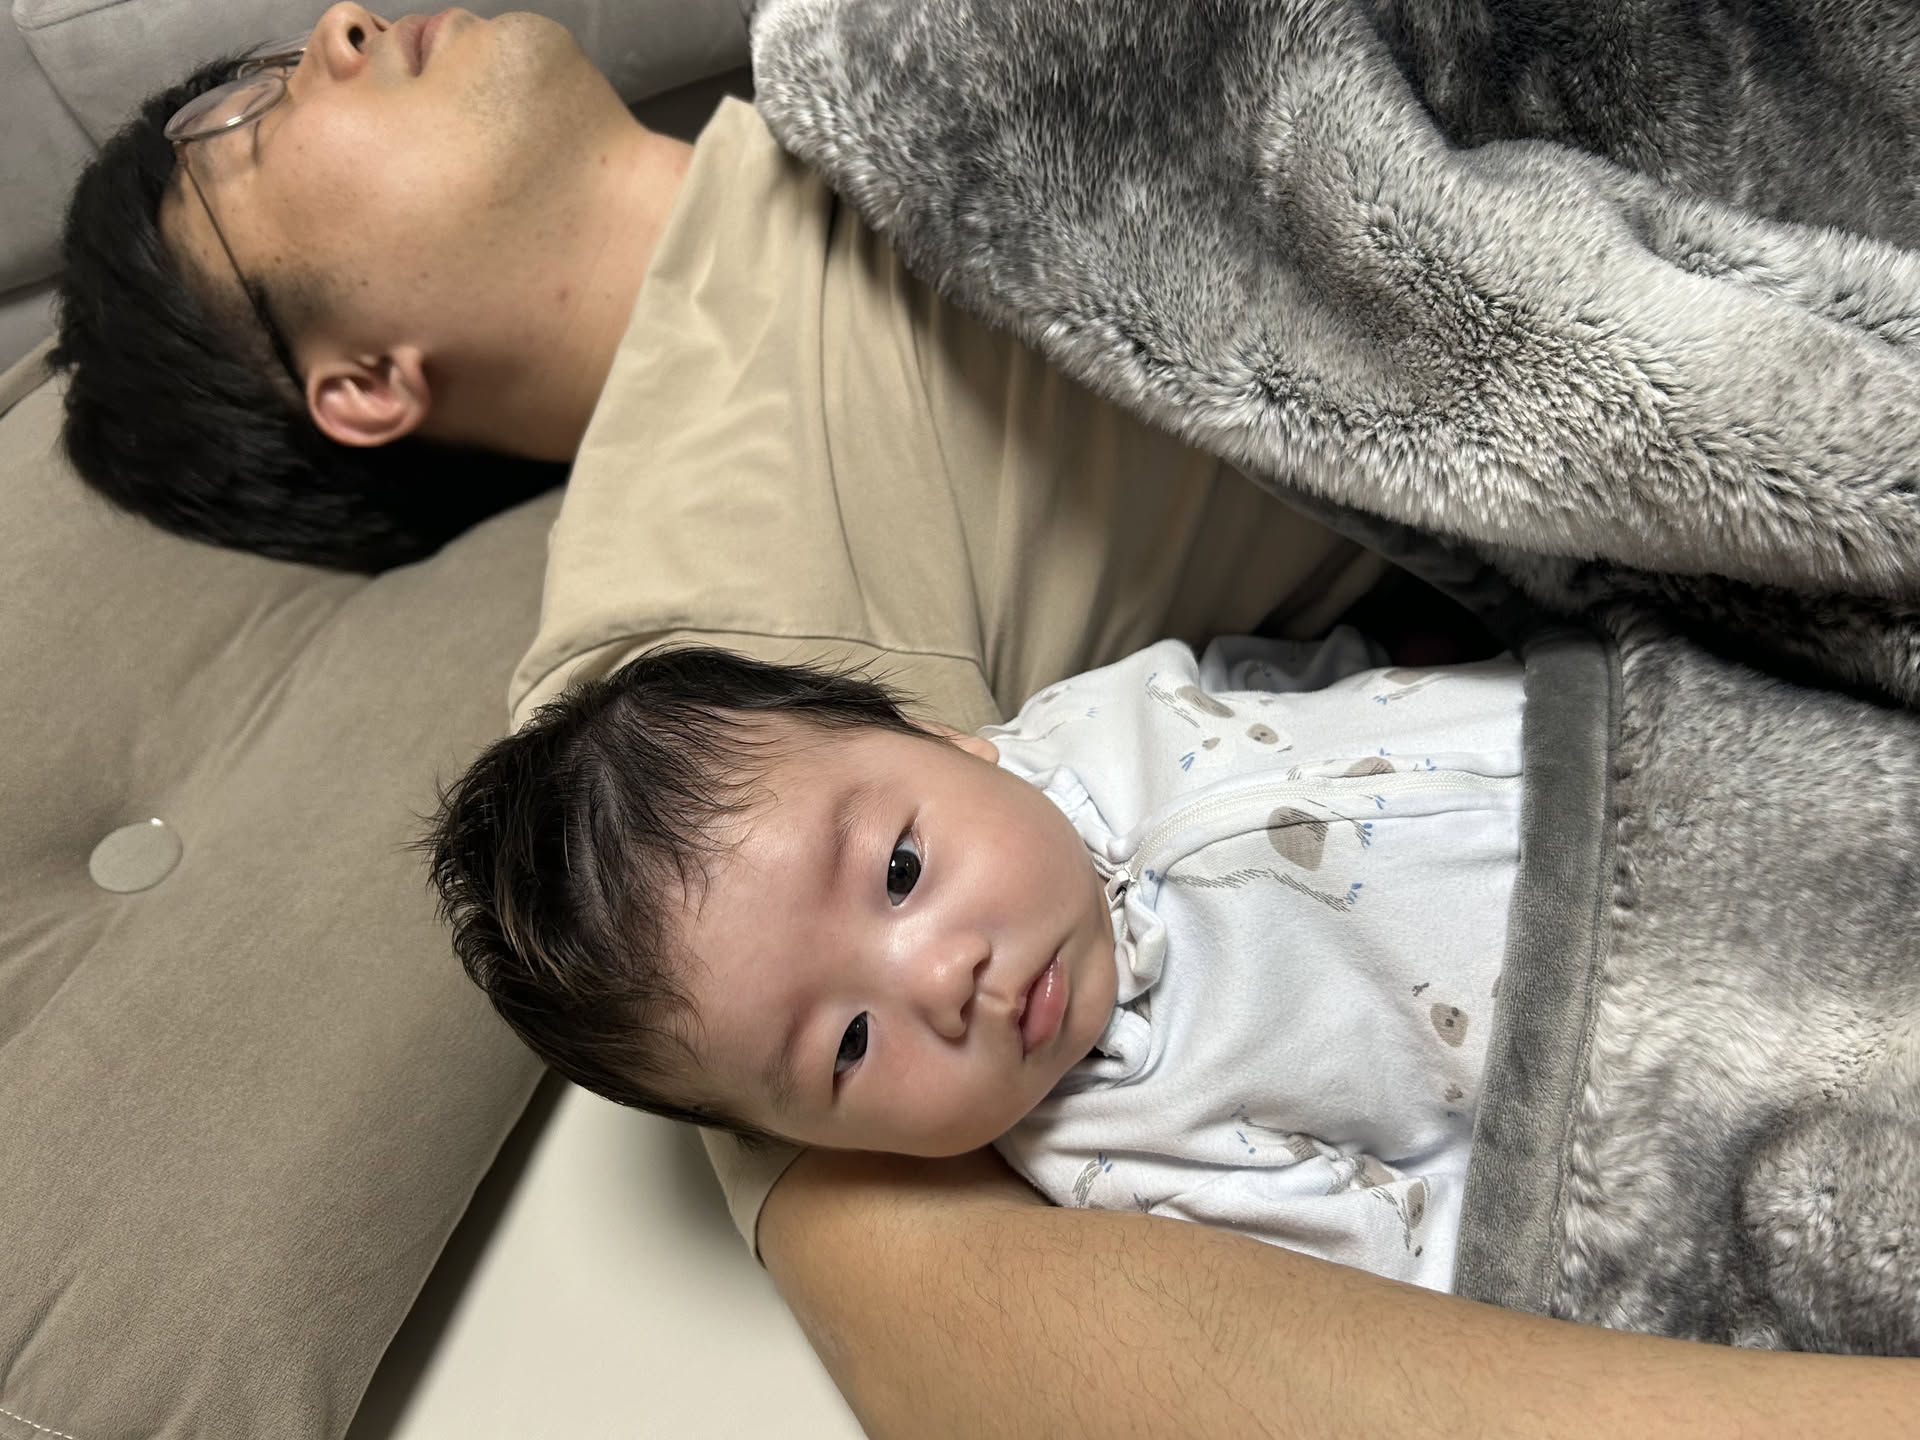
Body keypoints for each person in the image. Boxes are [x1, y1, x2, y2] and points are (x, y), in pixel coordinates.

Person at [50, 6, 1917, 1432]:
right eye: (255, 124)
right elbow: (959, 1311)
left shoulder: (798, 103)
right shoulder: (664, 670)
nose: (340, 26)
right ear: (360, 384)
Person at [430, 635, 1527, 1293]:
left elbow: (1275, 679)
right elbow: (1429, 1253)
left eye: (900, 869)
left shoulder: (1094, 712)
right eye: (849, 1044)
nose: (938, 978)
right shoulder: (1129, 1157)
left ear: (946, 741)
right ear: (825, 1144)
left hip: (1584, 707)